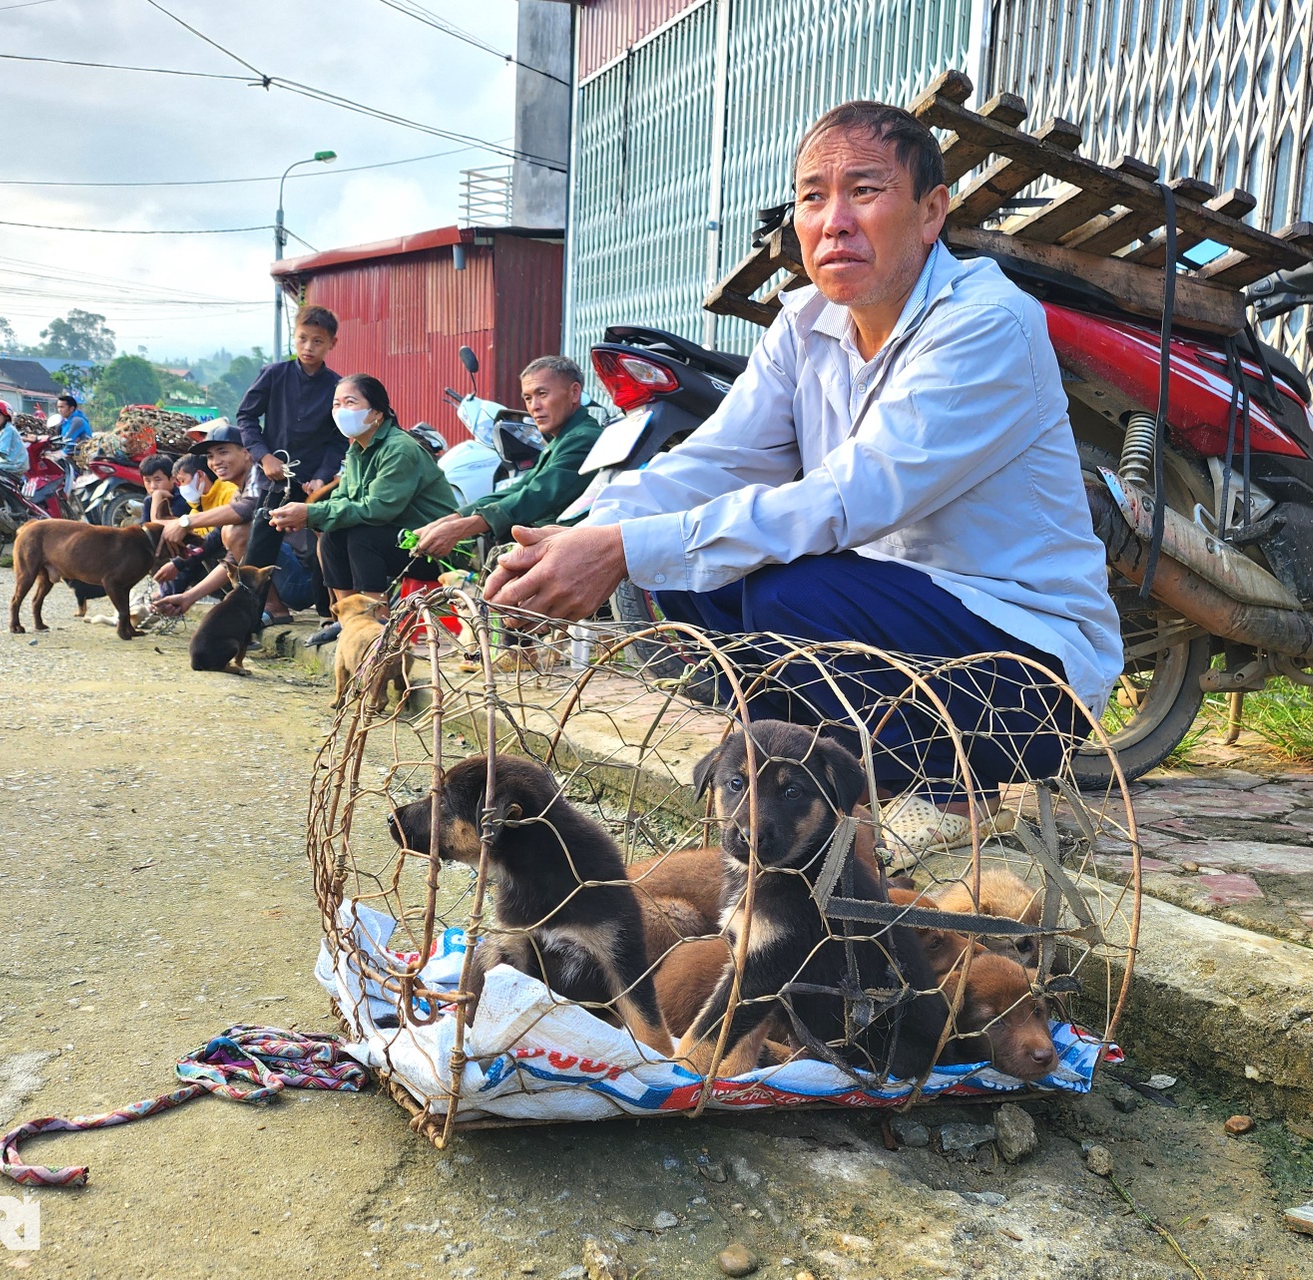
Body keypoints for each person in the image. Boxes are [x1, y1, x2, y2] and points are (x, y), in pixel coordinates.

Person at [479, 99, 1122, 861]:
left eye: (865, 190)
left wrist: (623, 548)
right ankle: (788, 785)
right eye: (814, 196)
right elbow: (712, 461)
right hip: (899, 634)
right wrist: (588, 535)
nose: (834, 220)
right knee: (690, 582)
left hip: (1025, 682)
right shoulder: (805, 324)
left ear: (930, 213)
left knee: (779, 591)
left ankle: (955, 793)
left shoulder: (985, 323)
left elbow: (848, 498)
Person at [267, 373, 454, 645]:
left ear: (376, 412)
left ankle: (379, 623)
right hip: (398, 541)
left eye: (350, 402)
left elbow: (378, 509)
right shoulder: (357, 451)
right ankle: (352, 621)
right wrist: (307, 516)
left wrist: (311, 514)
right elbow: (343, 499)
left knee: (362, 535)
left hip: (434, 548)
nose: (341, 411)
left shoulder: (399, 449)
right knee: (334, 535)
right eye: (336, 404)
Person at [410, 356, 605, 559]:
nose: (534, 406)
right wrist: (453, 519)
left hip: (573, 552)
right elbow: (520, 487)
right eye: (528, 398)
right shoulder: (561, 439)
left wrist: (461, 528)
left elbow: (536, 496)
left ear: (574, 393)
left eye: (542, 394)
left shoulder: (583, 439)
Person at [237, 306, 345, 587]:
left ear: (332, 343)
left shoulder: (338, 387)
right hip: (274, 480)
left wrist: (322, 476)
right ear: (293, 338)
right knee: (259, 550)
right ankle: (249, 619)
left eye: (318, 341)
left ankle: (325, 618)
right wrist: (263, 457)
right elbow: (246, 416)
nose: (308, 347)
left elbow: (338, 439)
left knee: (316, 551)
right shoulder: (274, 374)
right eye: (302, 338)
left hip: (313, 485)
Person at [151, 426, 261, 615]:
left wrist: (184, 523)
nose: (215, 462)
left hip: (296, 576)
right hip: (269, 571)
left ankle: (268, 608)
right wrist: (189, 597)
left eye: (223, 452)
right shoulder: (236, 491)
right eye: (210, 456)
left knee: (231, 535)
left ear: (246, 453)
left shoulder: (258, 477)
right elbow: (231, 555)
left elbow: (246, 509)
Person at [140, 454, 177, 522]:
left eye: (157, 480)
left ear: (172, 479)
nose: (153, 486)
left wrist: (157, 496)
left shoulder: (183, 499)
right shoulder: (148, 501)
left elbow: (158, 525)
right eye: (148, 481)